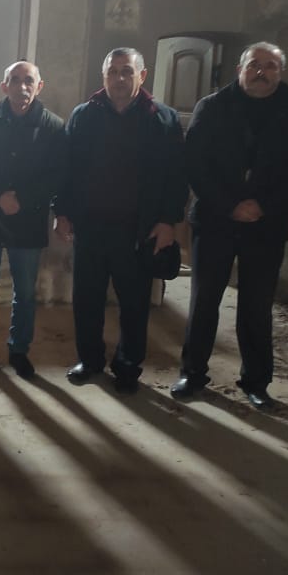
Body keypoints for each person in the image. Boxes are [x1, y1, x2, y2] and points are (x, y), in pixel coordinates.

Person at [172, 43, 288, 408]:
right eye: (254, 64)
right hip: (215, 220)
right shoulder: (212, 107)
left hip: (267, 224)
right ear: (239, 69)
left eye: (270, 65)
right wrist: (229, 205)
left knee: (256, 305)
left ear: (280, 72)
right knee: (204, 301)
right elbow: (194, 163)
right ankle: (192, 373)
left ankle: (256, 381)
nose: (261, 71)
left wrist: (266, 206)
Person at [54, 47, 187, 393]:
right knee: (87, 300)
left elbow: (176, 177)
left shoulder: (163, 119)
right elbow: (66, 169)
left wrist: (168, 221)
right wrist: (62, 212)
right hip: (91, 227)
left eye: (127, 71)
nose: (119, 78)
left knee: (134, 304)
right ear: (104, 77)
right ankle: (90, 360)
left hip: (138, 230)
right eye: (113, 72)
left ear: (142, 76)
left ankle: (128, 366)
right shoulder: (84, 115)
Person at [0, 60, 66, 379]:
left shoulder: (53, 126)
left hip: (28, 220)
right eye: (15, 80)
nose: (22, 86)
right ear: (4, 86)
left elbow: (56, 175)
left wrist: (22, 199)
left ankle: (19, 350)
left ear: (39, 86)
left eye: (29, 80)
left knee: (25, 293)